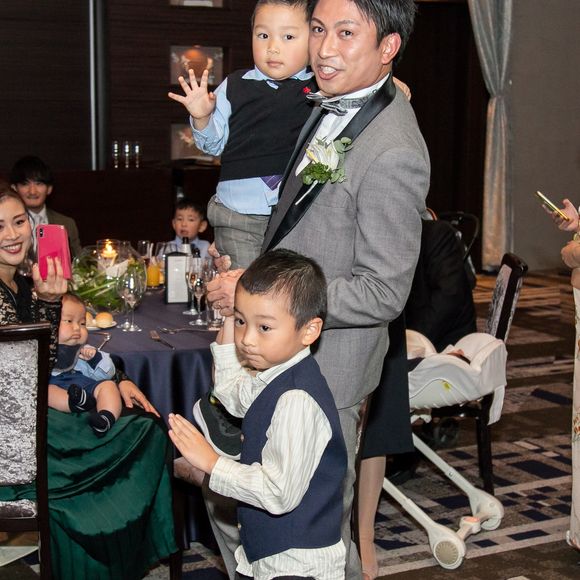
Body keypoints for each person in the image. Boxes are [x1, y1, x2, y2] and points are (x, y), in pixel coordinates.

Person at [206, 1, 430, 577]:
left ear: (388, 47)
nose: (325, 49)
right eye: (319, 29)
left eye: (346, 33)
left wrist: (268, 298)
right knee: (258, 513)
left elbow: (383, 291)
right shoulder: (329, 102)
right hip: (288, 351)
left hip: (329, 366)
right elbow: (296, 220)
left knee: (313, 533)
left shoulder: (394, 150)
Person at [0, 186, 177, 578]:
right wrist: (50, 304)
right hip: (15, 435)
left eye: (19, 222)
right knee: (143, 432)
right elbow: (24, 374)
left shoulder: (22, 284)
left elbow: (71, 349)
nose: (12, 234)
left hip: (38, 412)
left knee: (144, 423)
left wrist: (119, 378)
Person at [170, 249, 347, 579]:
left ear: (309, 330)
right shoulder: (274, 375)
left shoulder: (296, 398)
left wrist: (211, 462)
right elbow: (231, 393)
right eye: (242, 322)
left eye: (264, 327)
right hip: (271, 557)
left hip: (297, 564)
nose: (247, 340)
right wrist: (228, 316)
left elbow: (278, 493)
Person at [357, 215, 478, 579]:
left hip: (439, 337)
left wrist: (414, 340)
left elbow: (449, 297)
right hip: (395, 333)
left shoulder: (436, 235)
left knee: (379, 394)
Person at [168, 0, 315, 270]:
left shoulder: (321, 87)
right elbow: (212, 145)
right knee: (244, 285)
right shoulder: (234, 86)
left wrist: (385, 84)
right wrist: (202, 116)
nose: (273, 47)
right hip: (238, 215)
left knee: (286, 287)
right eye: (263, 35)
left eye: (288, 37)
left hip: (294, 215)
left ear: (314, 39)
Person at [49, 293, 123, 437]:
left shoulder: (84, 350)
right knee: (47, 392)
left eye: (82, 323)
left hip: (83, 386)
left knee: (109, 386)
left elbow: (108, 373)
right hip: (57, 388)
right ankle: (76, 403)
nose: (77, 328)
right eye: (69, 321)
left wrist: (94, 359)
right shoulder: (40, 347)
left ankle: (106, 418)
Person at [9, 155, 82, 257]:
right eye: (25, 184)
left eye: (39, 184)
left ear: (49, 189)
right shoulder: (7, 225)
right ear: (14, 188)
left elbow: (78, 262)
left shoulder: (66, 223)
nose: (32, 191)